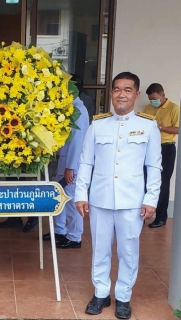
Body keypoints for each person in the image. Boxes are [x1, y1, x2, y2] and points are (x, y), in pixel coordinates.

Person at [75, 72, 162, 319]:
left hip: (132, 202)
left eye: (127, 89)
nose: (121, 94)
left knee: (128, 251)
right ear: (111, 93)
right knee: (100, 249)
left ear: (136, 93)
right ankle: (101, 293)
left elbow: (155, 166)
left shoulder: (147, 125)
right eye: (116, 89)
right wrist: (81, 194)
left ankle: (123, 296)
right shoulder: (98, 124)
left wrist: (150, 199)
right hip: (100, 199)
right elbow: (86, 163)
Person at [43, 95, 89, 248]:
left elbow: (77, 142)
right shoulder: (70, 109)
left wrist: (71, 167)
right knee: (60, 198)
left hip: (72, 165)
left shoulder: (79, 111)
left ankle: (74, 237)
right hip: (64, 163)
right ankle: (60, 230)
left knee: (71, 201)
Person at [144, 83, 179, 228]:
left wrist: (161, 128)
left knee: (163, 184)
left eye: (155, 98)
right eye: (151, 99)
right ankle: (143, 215)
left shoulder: (174, 108)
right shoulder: (148, 108)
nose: (153, 101)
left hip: (166, 149)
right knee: (146, 181)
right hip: (148, 148)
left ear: (162, 95)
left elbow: (178, 129)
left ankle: (161, 217)